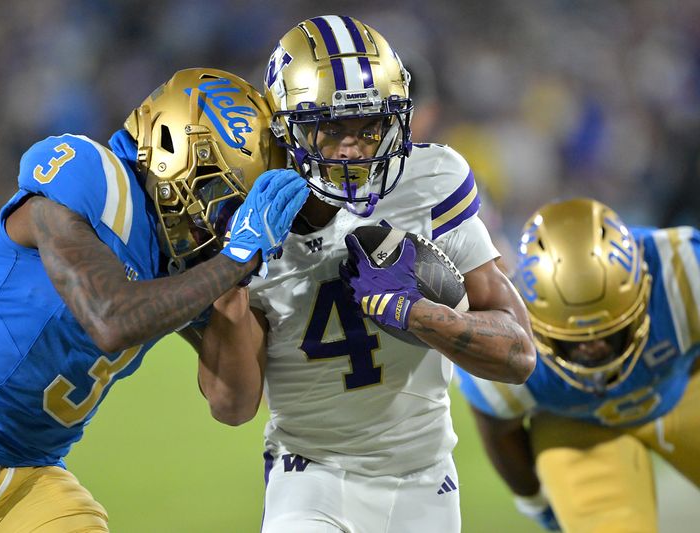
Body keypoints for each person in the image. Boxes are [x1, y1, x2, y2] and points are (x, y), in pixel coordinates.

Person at [0, 67, 308, 532]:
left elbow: (232, 404)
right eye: (221, 197)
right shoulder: (89, 174)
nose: (224, 223)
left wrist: (236, 283)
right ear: (171, 152)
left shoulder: (192, 259)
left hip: (31, 475)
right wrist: (232, 260)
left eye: (240, 211)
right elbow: (108, 317)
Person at [198, 16, 536, 533]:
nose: (352, 149)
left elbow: (518, 354)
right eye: (330, 128)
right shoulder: (246, 211)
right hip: (310, 473)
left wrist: (418, 314)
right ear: (286, 126)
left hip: (426, 480)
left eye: (369, 126)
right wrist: (233, 272)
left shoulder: (433, 181)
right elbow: (232, 406)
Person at [455, 198, 700, 532]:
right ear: (534, 321)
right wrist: (537, 503)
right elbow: (498, 428)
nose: (594, 347)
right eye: (573, 339)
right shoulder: (505, 337)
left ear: (644, 289)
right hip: (576, 428)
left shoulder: (685, 273)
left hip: (681, 388)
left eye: (610, 331)